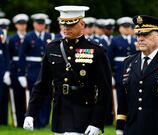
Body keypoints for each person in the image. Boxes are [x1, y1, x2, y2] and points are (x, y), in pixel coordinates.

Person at [23, 5, 112, 135]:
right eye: (63, 24)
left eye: (70, 25)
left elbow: (105, 89)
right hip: (60, 113)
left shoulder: (96, 50)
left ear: (82, 24)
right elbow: (42, 84)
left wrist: (96, 122)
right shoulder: (52, 48)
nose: (66, 28)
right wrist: (30, 113)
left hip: (84, 113)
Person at [18, 13, 52, 128]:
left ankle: (44, 121)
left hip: (46, 69)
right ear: (34, 24)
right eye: (39, 24)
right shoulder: (28, 36)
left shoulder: (48, 36)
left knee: (46, 97)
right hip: (33, 70)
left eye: (43, 24)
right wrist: (21, 74)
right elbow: (22, 55)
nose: (41, 26)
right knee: (35, 96)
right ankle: (35, 121)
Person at [7, 13, 29, 127]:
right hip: (15, 71)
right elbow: (8, 56)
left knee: (28, 98)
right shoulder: (12, 39)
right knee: (17, 97)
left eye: (24, 24)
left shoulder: (29, 37)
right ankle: (18, 122)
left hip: (27, 68)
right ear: (16, 25)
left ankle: (28, 121)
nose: (22, 26)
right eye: (20, 24)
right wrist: (8, 71)